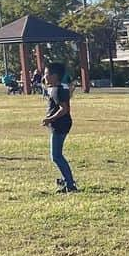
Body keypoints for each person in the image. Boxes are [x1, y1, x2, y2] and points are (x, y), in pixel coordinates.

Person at [42, 61, 78, 193]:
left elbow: (64, 109)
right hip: (62, 124)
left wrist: (49, 119)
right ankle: (66, 179)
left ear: (55, 76)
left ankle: (70, 184)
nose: (45, 77)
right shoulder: (61, 88)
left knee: (56, 156)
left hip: (60, 125)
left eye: (47, 74)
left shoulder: (57, 90)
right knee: (57, 155)